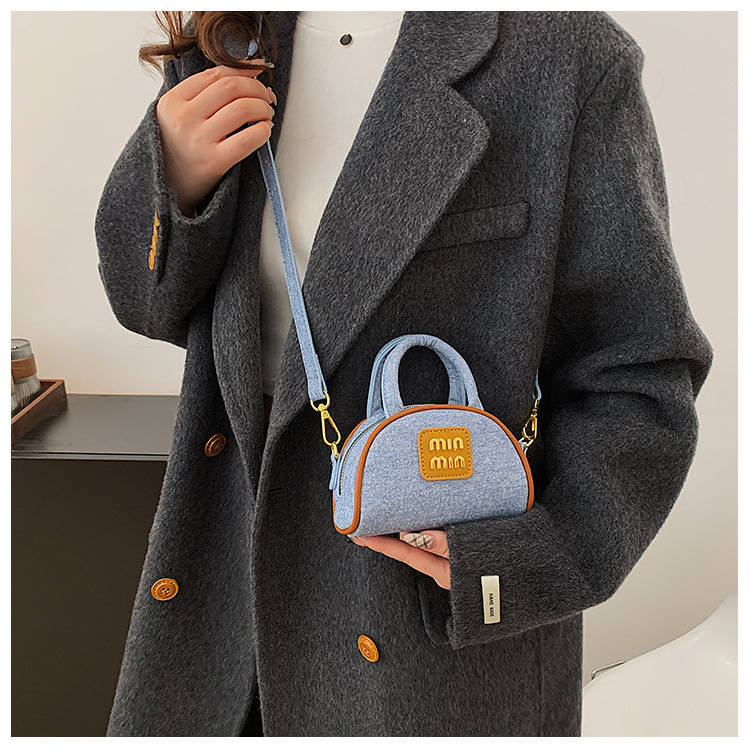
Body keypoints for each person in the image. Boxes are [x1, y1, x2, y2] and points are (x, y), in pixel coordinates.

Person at [95, 11, 713, 737]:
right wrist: (171, 175)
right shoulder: (234, 38)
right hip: (223, 591)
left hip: (422, 620)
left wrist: (523, 561)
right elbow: (150, 308)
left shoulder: (564, 51)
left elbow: (639, 369)